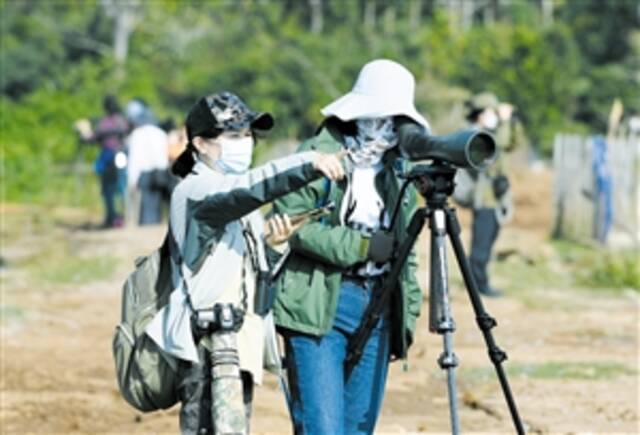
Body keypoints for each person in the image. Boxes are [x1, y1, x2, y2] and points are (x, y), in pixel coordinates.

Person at [144, 91, 346, 434]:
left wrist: (273, 246)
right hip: (206, 349)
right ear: (201, 144)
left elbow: (248, 276)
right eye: (234, 135)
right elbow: (250, 187)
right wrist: (308, 163)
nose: (246, 143)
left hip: (236, 344)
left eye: (249, 135)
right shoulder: (198, 190)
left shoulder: (237, 200)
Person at [271, 59, 426, 435]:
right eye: (380, 115)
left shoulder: (400, 169)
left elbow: (406, 247)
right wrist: (359, 245)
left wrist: (408, 310)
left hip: (379, 305)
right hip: (322, 300)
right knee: (323, 428)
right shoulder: (318, 153)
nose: (385, 126)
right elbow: (293, 224)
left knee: (359, 428)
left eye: (394, 118)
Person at [453, 92, 526, 297]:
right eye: (491, 112)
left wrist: (513, 122)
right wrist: (503, 121)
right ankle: (477, 285)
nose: (495, 115)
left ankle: (478, 282)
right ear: (481, 114)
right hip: (483, 199)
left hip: (495, 198)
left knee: (488, 240)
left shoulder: (494, 132)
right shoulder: (476, 135)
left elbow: (512, 143)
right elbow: (500, 142)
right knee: (481, 245)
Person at [76, 95, 129, 228]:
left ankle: (112, 217)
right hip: (121, 156)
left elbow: (94, 138)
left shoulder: (104, 123)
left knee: (108, 189)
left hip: (108, 156)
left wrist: (84, 133)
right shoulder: (122, 121)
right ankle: (125, 217)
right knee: (122, 187)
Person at [125, 99, 169, 226]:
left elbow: (135, 159)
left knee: (145, 202)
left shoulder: (137, 134)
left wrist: (131, 179)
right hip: (160, 171)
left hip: (144, 172)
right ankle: (156, 222)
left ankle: (147, 224)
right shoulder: (161, 133)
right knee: (157, 202)